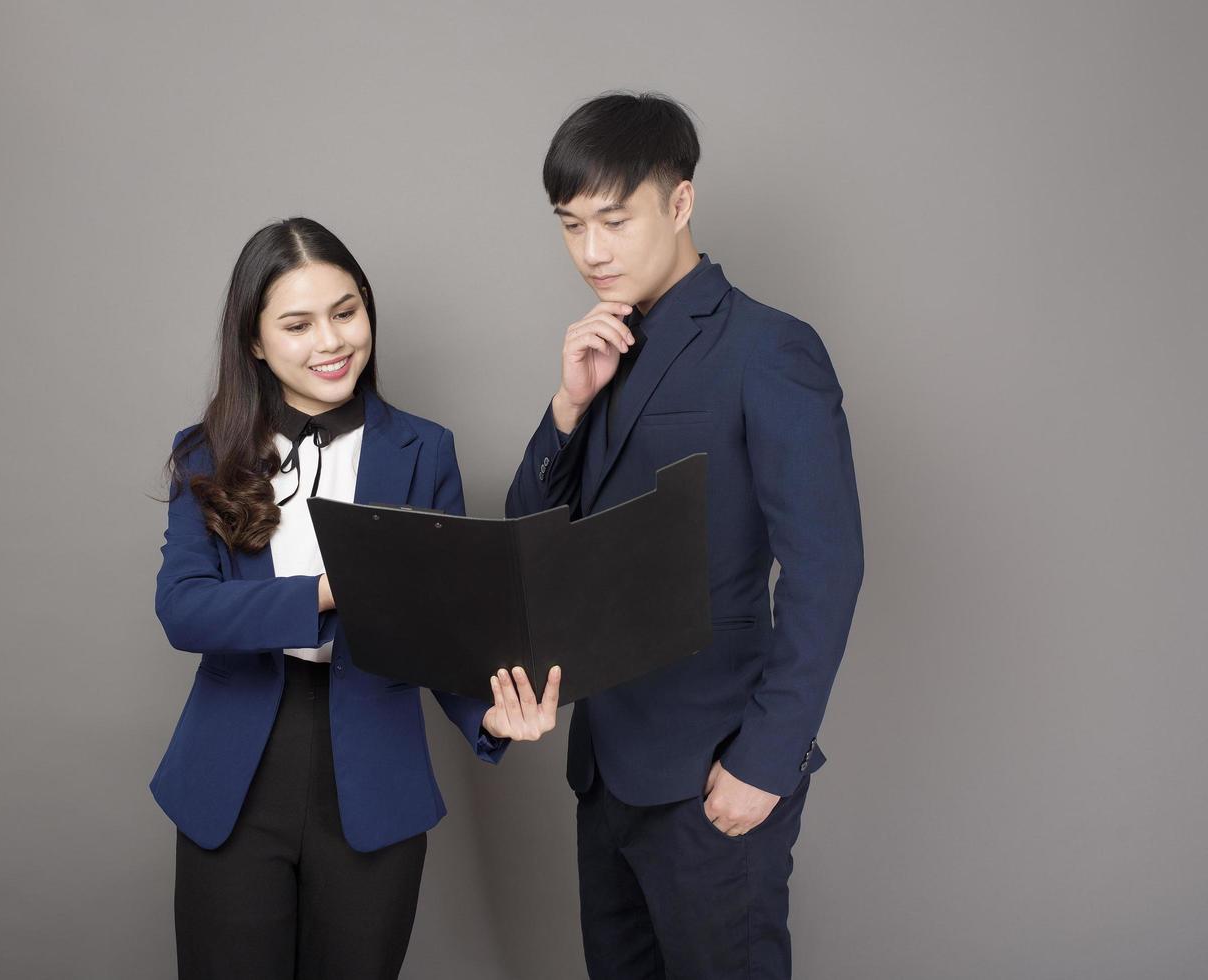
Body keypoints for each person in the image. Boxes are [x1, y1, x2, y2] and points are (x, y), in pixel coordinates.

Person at [505, 93, 864, 979]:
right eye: (570, 226)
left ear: (678, 202)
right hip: (606, 769)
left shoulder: (766, 348)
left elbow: (827, 568)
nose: (590, 251)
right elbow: (529, 541)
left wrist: (766, 762)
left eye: (613, 220)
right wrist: (567, 407)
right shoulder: (602, 348)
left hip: (716, 768)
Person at [152, 217, 559, 979]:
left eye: (346, 311)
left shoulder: (423, 450)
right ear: (254, 341)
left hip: (373, 773)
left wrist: (489, 714)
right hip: (234, 773)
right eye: (298, 323)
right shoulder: (203, 451)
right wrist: (328, 593)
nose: (331, 341)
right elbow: (183, 609)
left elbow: (442, 625)